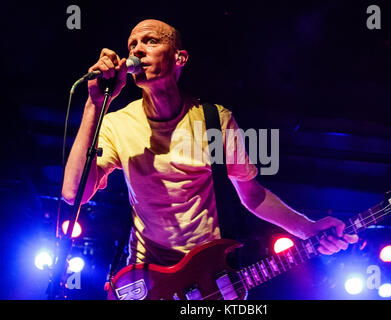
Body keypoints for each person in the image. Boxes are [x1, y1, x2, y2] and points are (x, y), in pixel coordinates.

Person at [62, 19, 358, 267]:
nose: (137, 49)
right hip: (147, 272)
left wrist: (308, 229)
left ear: (180, 58)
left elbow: (251, 195)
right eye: (132, 45)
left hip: (208, 271)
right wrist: (94, 105)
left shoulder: (214, 121)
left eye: (150, 41)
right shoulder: (116, 123)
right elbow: (74, 194)